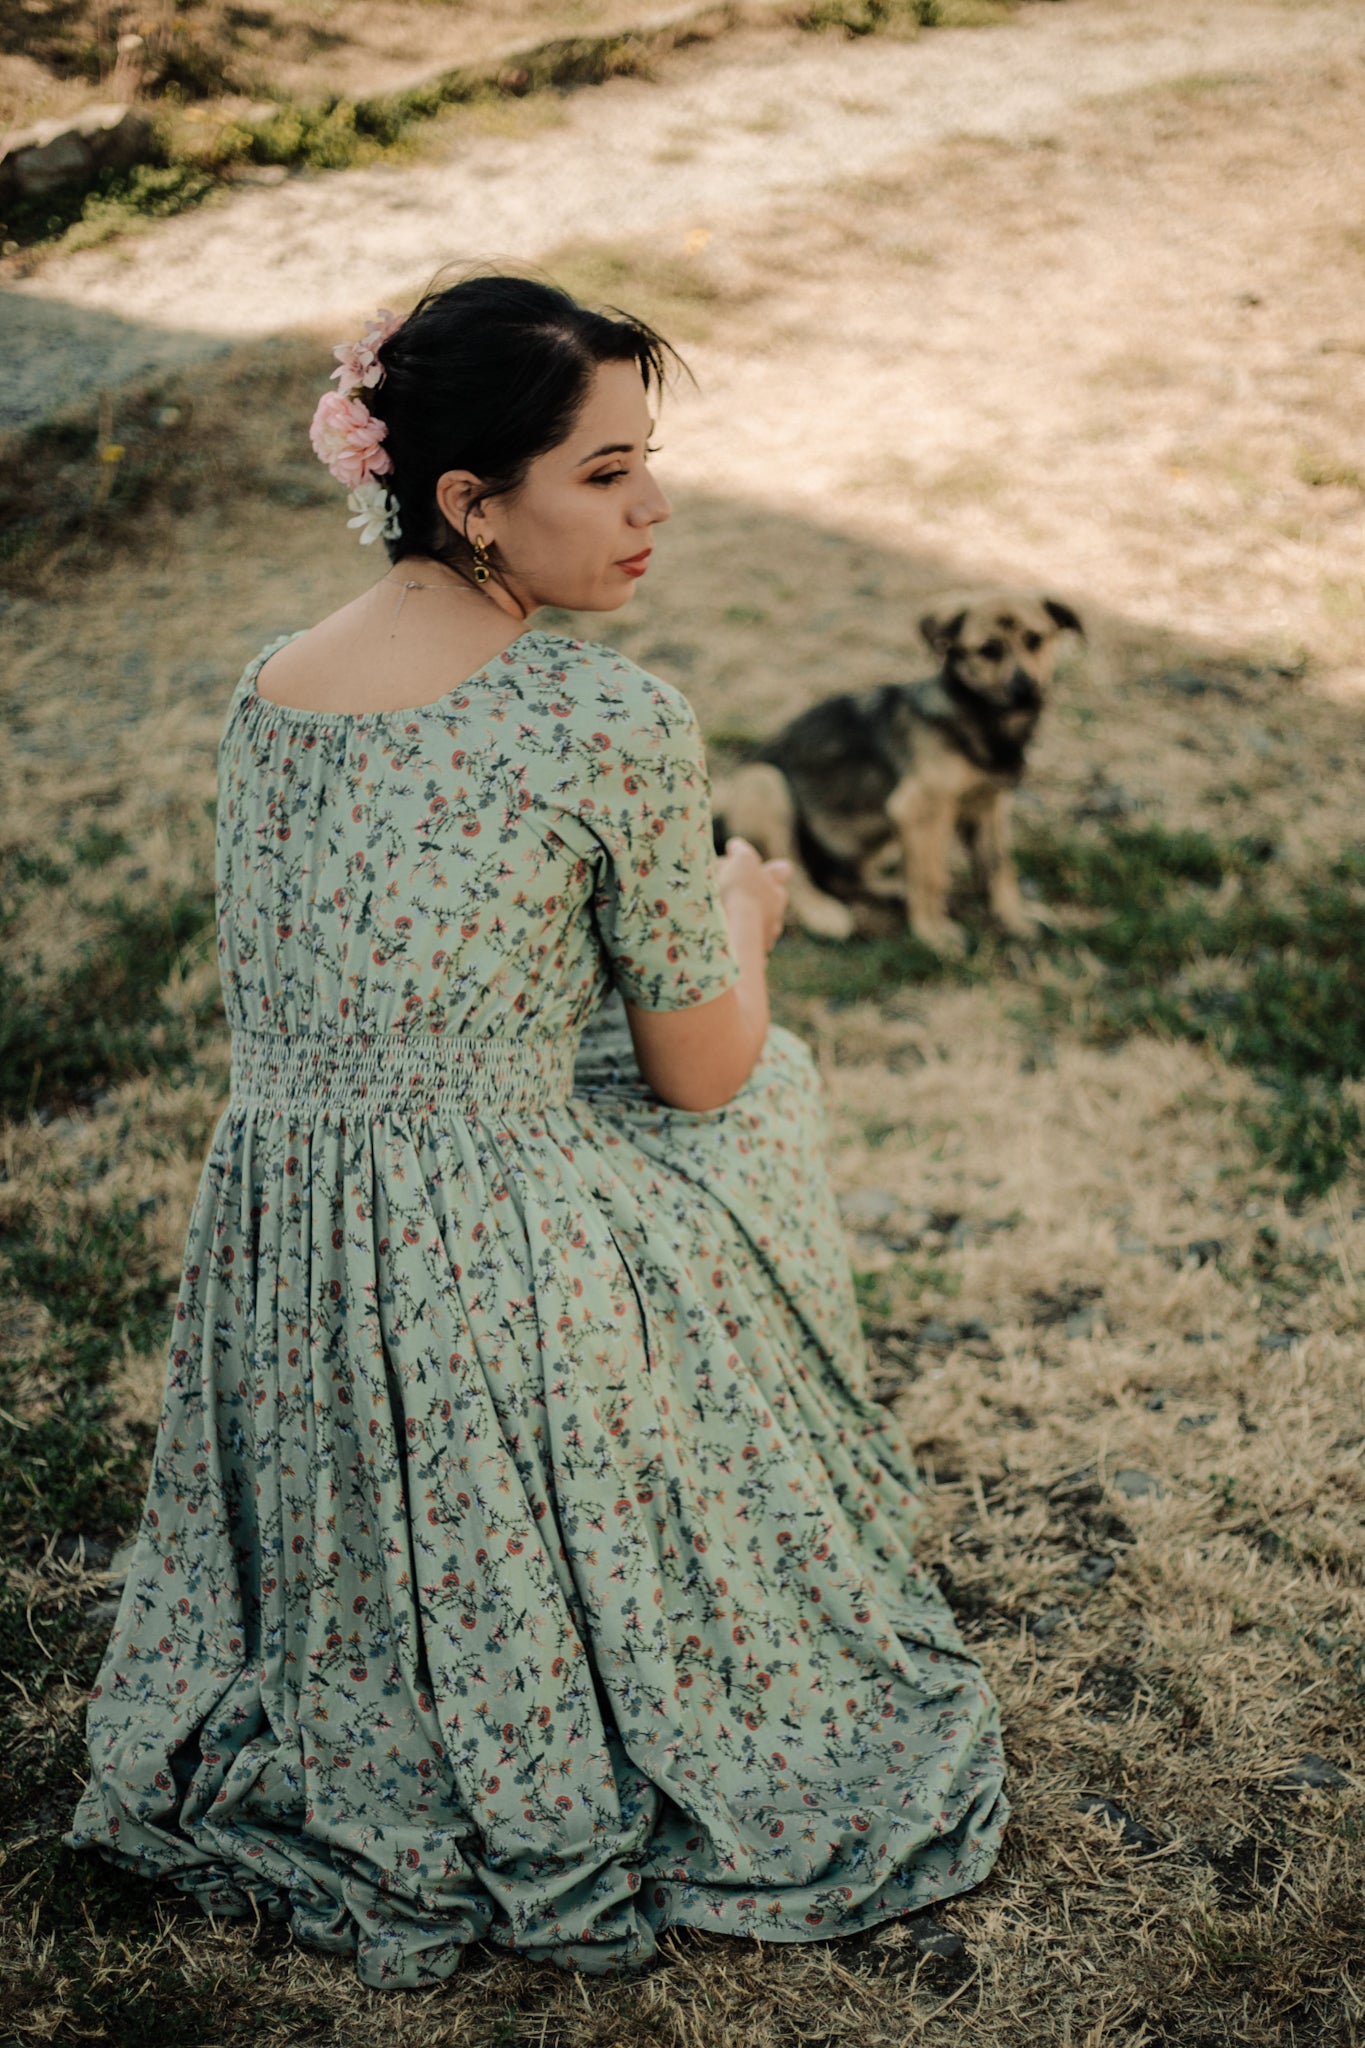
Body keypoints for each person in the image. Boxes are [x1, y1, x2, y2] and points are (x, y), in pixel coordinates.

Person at [67, 272, 1007, 1986]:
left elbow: (352, 1000)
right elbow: (698, 1070)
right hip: (497, 1253)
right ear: (464, 501)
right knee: (764, 1095)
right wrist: (743, 917)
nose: (652, 508)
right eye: (603, 472)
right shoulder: (603, 717)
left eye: (650, 462)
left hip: (294, 1258)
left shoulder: (270, 689)